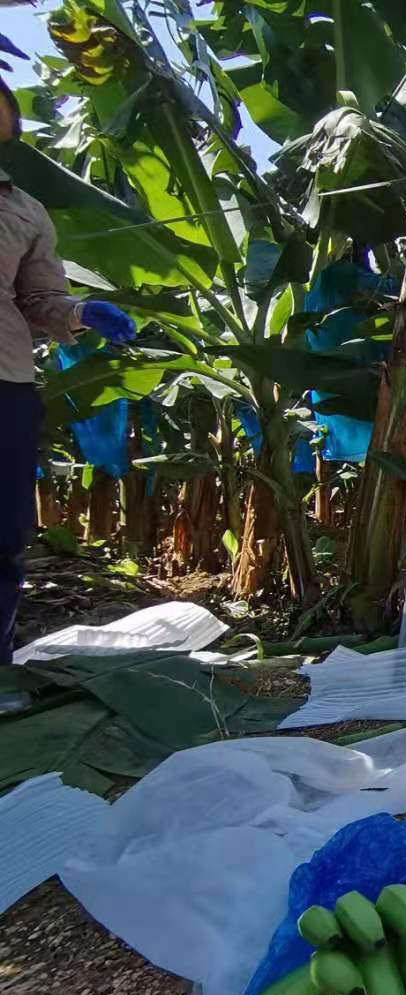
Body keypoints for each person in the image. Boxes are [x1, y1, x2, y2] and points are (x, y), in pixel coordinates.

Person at [1, 73, 137, 665]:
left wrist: (81, 311)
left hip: (5, 381)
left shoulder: (25, 211)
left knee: (4, 534)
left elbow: (36, 299)